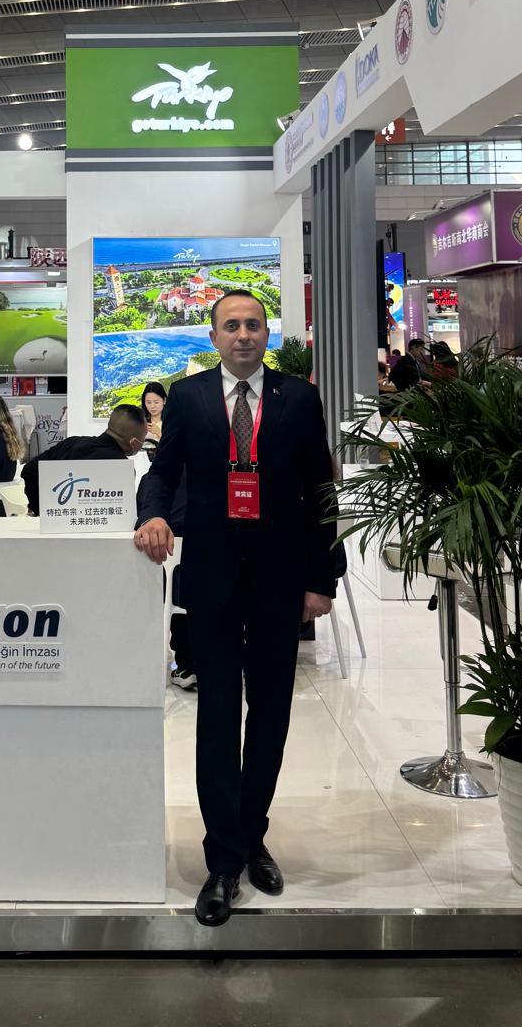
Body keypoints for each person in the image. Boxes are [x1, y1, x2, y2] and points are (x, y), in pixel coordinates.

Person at [135, 291, 338, 928]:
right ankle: (223, 860)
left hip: (281, 578)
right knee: (218, 716)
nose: (243, 334)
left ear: (266, 333)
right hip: (213, 578)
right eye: (232, 325)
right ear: (214, 335)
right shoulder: (189, 396)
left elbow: (321, 489)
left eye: (253, 324)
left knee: (271, 714)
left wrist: (323, 579)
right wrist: (153, 515)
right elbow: (161, 473)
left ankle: (253, 835)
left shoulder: (298, 398)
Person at [21, 404, 146, 516]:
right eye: (144, 437)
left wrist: (43, 512)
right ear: (133, 442)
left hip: (57, 527)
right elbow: (124, 513)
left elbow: (29, 471)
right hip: (98, 531)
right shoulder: (122, 468)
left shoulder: (71, 443)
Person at [141, 381, 167, 451]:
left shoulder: (172, 421)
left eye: (156, 402)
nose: (152, 406)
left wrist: (159, 433)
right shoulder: (140, 421)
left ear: (164, 400)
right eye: (148, 402)